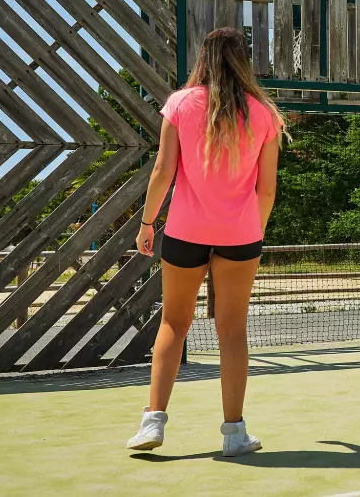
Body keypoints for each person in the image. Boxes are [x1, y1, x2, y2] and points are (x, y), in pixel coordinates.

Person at [127, 27, 285, 457]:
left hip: (184, 232)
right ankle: (234, 434)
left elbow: (162, 170)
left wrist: (146, 223)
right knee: (232, 331)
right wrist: (254, 232)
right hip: (240, 236)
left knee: (173, 324)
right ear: (243, 61)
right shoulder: (266, 114)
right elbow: (266, 191)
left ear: (203, 58)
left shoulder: (180, 103)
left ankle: (152, 423)